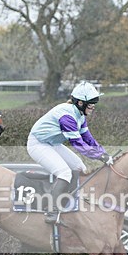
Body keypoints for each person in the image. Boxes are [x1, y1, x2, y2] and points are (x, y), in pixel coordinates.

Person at [27, 81, 112, 223]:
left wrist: (104, 153)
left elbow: (88, 138)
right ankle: (52, 211)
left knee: (80, 168)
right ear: (80, 103)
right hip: (38, 144)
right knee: (65, 172)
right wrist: (99, 156)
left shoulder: (80, 115)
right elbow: (78, 144)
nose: (93, 106)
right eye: (91, 103)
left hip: (52, 143)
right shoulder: (67, 117)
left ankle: (70, 203)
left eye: (94, 102)